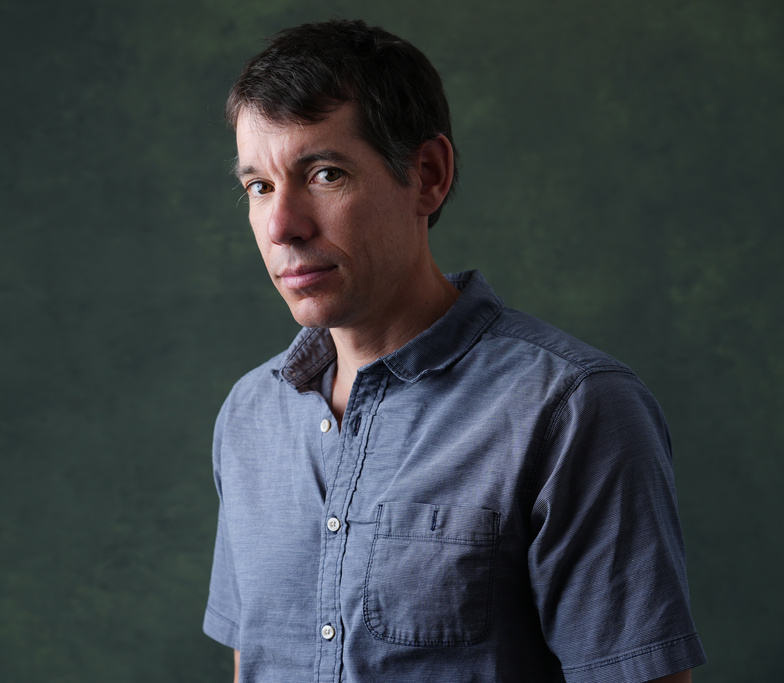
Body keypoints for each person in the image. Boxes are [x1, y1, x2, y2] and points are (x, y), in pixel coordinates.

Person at [202, 18, 706, 683]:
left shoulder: (572, 410)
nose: (281, 226)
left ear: (428, 176)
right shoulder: (250, 415)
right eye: (259, 187)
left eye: (324, 173)